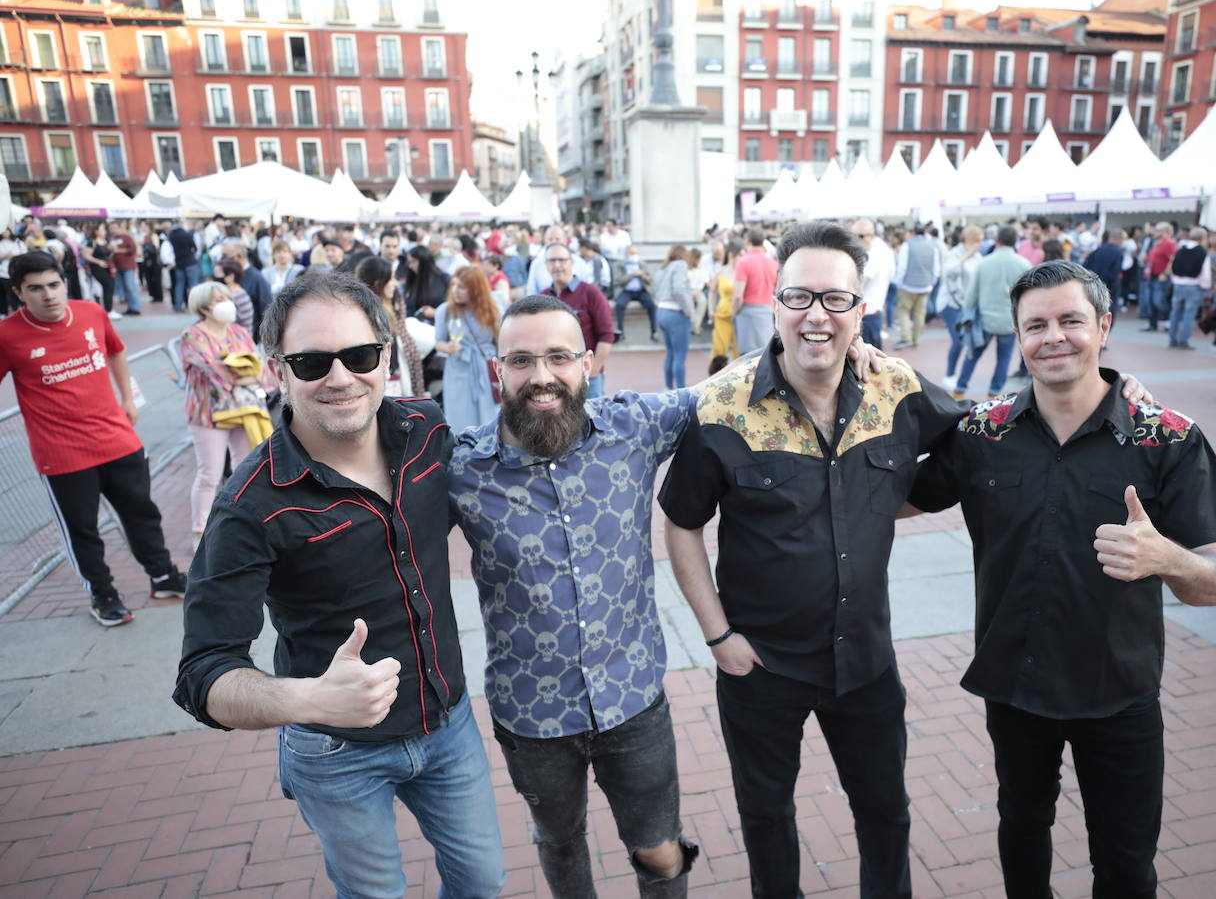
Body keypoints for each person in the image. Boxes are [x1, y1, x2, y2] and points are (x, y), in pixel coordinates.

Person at [909, 260, 1216, 898]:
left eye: (1071, 320)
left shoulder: (1164, 438)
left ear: (1105, 327)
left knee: (1125, 865)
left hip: (1118, 691)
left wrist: (1166, 557)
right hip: (1014, 683)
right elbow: (889, 498)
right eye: (1035, 325)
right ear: (1018, 337)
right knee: (1022, 829)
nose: (1054, 337)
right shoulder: (984, 432)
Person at [660, 222, 969, 899]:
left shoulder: (897, 388)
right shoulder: (723, 404)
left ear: (861, 310)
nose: (817, 317)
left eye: (836, 300)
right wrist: (717, 637)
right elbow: (681, 523)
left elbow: (976, 433)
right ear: (775, 304)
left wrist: (887, 499)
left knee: (885, 811)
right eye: (800, 297)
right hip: (761, 666)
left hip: (865, 659)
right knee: (768, 817)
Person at [174, 270, 505, 898]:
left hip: (448, 722)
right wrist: (311, 702)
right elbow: (203, 673)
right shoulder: (250, 505)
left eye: (358, 356)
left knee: (484, 883)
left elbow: (503, 486)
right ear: (278, 371)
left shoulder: (427, 430)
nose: (340, 377)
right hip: (337, 753)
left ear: (385, 357)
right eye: (311, 361)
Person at [447, 292, 702, 897]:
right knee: (558, 841)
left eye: (559, 357)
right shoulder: (461, 469)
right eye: (522, 361)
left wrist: (830, 341)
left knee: (659, 846)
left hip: (634, 698)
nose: (542, 377)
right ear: (497, 370)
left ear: (587, 364)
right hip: (531, 713)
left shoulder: (635, 428)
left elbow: (727, 389)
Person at [0, 251, 187, 625]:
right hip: (62, 455)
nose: (49, 295)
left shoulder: (91, 313)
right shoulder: (7, 335)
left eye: (54, 284)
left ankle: (163, 576)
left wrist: (128, 398)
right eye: (35, 289)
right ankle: (103, 595)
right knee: (83, 531)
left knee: (143, 515)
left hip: (117, 439)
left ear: (64, 281)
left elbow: (116, 351)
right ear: (19, 293)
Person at [177, 280, 272, 551]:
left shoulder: (239, 332)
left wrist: (243, 375)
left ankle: (242, 524)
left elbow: (259, 369)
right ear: (204, 308)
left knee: (245, 468)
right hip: (208, 413)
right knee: (210, 473)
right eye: (219, 300)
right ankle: (200, 532)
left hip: (244, 409)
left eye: (226, 298)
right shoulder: (192, 336)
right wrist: (239, 375)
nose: (226, 304)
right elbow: (212, 369)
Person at [955, 224, 1030, 400]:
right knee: (1004, 359)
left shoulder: (984, 263)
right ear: (1015, 241)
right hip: (1010, 322)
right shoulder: (1024, 264)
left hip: (985, 320)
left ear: (996, 241)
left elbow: (970, 297)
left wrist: (967, 314)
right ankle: (993, 394)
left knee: (972, 355)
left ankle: (959, 389)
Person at [541, 242, 615, 397]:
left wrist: (593, 370)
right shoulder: (542, 298)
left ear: (572, 262)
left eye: (562, 260)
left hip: (586, 378)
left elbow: (606, 335)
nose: (557, 265)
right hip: (553, 379)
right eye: (552, 261)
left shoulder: (591, 293)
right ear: (546, 265)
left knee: (590, 420)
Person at [434, 265, 501, 431]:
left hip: (487, 368)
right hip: (459, 370)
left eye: (462, 287)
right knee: (461, 418)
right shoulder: (445, 311)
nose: (455, 291)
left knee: (490, 416)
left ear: (475, 289)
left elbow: (499, 341)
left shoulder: (492, 309)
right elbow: (438, 343)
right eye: (454, 285)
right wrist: (448, 348)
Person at [356, 255, 425, 398]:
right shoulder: (372, 316)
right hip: (384, 382)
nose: (395, 283)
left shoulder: (388, 307)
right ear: (378, 284)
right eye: (391, 279)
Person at [938, 225, 983, 391]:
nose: (980, 243)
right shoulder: (955, 253)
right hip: (950, 304)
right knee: (958, 340)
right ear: (969, 239)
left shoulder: (978, 256)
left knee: (963, 340)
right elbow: (948, 273)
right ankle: (949, 375)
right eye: (977, 240)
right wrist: (967, 255)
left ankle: (953, 376)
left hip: (966, 305)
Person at [892, 223, 942, 350]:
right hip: (926, 285)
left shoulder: (907, 245)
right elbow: (936, 268)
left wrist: (899, 282)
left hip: (908, 285)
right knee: (920, 313)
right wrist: (932, 282)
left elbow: (902, 266)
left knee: (903, 310)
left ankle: (906, 337)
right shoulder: (932, 246)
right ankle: (916, 339)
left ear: (913, 233)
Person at [732, 228, 779, 356]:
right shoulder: (773, 263)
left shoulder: (743, 262)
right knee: (765, 354)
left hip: (748, 312)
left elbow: (737, 296)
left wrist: (734, 312)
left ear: (747, 241)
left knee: (747, 357)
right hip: (767, 310)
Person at [653, 245, 694, 390]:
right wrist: (688, 309)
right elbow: (678, 289)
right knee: (680, 355)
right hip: (676, 313)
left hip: (661, 310)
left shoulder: (663, 267)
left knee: (670, 352)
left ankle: (668, 387)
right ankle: (682, 390)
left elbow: (657, 288)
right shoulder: (681, 265)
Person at [1166, 226, 1212, 349]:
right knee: (1189, 314)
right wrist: (1206, 286)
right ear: (1202, 238)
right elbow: (1205, 273)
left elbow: (1173, 265)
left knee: (1175, 312)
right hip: (1194, 286)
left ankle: (1172, 339)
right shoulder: (1202, 252)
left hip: (1178, 284)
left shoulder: (1180, 249)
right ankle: (1183, 340)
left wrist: (1175, 280)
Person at [853, 218, 895, 350]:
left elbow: (858, 283)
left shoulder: (875, 253)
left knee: (866, 363)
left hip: (868, 314)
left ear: (871, 235)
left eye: (860, 236)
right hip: (870, 312)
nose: (855, 240)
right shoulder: (880, 248)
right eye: (852, 235)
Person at [614, 245, 658, 342]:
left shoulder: (642, 264)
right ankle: (620, 333)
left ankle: (654, 332)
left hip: (641, 291)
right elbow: (619, 281)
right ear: (626, 254)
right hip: (626, 291)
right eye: (631, 253)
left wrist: (644, 277)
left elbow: (649, 281)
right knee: (619, 305)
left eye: (635, 253)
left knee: (652, 305)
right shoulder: (620, 264)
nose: (634, 255)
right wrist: (633, 274)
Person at [1140, 222, 1176, 333]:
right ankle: (1152, 324)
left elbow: (1172, 259)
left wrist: (1165, 273)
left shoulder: (1169, 243)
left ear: (1165, 232)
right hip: (1152, 275)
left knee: (1159, 301)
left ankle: (1169, 321)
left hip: (1161, 276)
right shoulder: (1156, 243)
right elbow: (1151, 258)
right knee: (1151, 301)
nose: (1155, 232)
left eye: (1158, 230)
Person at [710, 238, 741, 361]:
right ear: (731, 255)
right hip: (723, 314)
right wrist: (710, 310)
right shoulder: (721, 272)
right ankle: (717, 375)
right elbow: (712, 292)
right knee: (719, 349)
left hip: (739, 314)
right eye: (739, 255)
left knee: (739, 349)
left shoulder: (743, 271)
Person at [1085, 228, 1126, 312]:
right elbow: (1115, 271)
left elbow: (1087, 265)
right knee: (1109, 307)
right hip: (1109, 285)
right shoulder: (1118, 252)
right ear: (1119, 239)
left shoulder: (1098, 250)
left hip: (1094, 282)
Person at [81, 221, 117, 316]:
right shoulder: (92, 242)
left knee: (110, 287)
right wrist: (98, 261)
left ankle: (108, 309)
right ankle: (108, 310)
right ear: (96, 231)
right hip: (97, 268)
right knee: (107, 286)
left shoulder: (106, 241)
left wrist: (112, 250)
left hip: (107, 267)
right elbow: (86, 255)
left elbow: (108, 255)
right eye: (102, 229)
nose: (105, 231)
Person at [404, 245, 447, 321]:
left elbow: (452, 307)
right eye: (409, 262)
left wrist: (436, 312)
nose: (410, 266)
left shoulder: (444, 279)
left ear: (424, 262)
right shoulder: (413, 278)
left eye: (413, 262)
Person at [109, 221, 142, 316]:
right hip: (118, 267)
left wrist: (118, 250)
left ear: (119, 227)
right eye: (111, 228)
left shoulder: (126, 237)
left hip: (128, 266)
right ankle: (130, 307)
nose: (113, 230)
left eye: (114, 227)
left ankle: (136, 308)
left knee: (130, 286)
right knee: (124, 288)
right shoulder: (112, 239)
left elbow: (133, 249)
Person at [167, 220, 200, 312]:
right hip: (190, 262)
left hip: (179, 262)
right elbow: (194, 247)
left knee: (179, 285)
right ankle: (195, 306)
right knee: (193, 285)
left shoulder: (172, 235)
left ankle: (178, 305)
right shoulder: (186, 234)